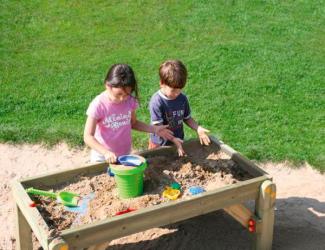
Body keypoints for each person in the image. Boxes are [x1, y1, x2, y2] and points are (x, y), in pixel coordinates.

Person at [84, 63, 174, 163]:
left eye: (127, 94)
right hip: (102, 157)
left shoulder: (130, 101)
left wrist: (154, 129)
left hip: (124, 155)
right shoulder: (98, 105)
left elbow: (133, 123)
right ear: (107, 86)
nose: (122, 98)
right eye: (118, 94)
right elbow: (88, 136)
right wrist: (105, 152)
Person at [149, 59, 211, 156]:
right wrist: (173, 140)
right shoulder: (157, 101)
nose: (177, 93)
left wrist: (198, 128)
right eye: (173, 90)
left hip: (178, 140)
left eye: (180, 90)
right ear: (162, 83)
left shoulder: (182, 98)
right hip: (159, 144)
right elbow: (159, 129)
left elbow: (187, 118)